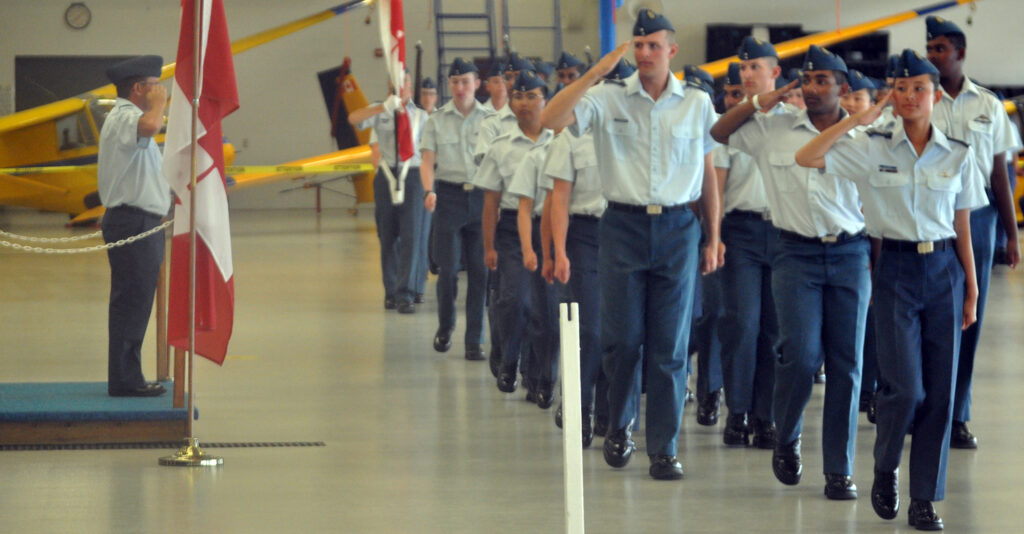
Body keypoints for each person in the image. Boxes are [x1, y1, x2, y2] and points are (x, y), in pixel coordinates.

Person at [794, 48, 986, 531]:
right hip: (895, 270)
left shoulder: (958, 152)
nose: (907, 96)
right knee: (906, 389)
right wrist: (865, 115)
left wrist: (973, 289)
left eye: (918, 88)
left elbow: (962, 223)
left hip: (944, 268)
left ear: (935, 95)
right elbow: (807, 154)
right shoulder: (871, 144)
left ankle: (925, 499)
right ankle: (885, 466)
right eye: (899, 89)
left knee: (940, 393)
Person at [542, 9, 722, 481]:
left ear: (671, 51)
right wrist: (595, 73)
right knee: (622, 340)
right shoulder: (605, 98)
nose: (644, 54)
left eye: (653, 46)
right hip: (621, 226)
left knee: (670, 346)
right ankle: (619, 424)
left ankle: (663, 447)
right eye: (637, 46)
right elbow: (549, 118)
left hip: (680, 228)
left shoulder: (697, 104)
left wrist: (714, 235)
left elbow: (708, 177)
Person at [711, 45, 869, 500]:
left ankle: (839, 470)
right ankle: (787, 434)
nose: (815, 88)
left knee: (847, 364)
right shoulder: (773, 130)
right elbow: (719, 131)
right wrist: (762, 99)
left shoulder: (862, 137)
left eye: (825, 80)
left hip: (850, 254)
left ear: (843, 87)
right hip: (794, 255)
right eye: (808, 79)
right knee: (799, 356)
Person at [925, 15, 1023, 449]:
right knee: (927, 315)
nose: (933, 55)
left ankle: (956, 414)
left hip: (978, 215)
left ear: (960, 53)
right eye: (930, 49)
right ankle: (922, 407)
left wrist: (1011, 233)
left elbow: (1001, 173)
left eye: (940, 49)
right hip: (925, 212)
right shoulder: (917, 98)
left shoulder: (988, 104)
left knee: (969, 315)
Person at [715, 44, 784, 450]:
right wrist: (715, 234)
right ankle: (737, 411)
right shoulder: (733, 124)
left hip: (784, 234)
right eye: (743, 68)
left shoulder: (793, 122)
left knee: (774, 331)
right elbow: (718, 188)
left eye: (755, 67)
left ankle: (766, 415)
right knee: (741, 325)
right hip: (741, 231)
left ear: (775, 73)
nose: (747, 74)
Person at [475, 69, 555, 396]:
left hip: (553, 229)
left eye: (532, 96)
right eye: (518, 96)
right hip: (510, 229)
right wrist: (489, 246)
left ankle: (539, 375)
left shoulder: (561, 140)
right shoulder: (500, 146)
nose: (524, 103)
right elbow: (490, 200)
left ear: (545, 100)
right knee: (516, 301)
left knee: (546, 309)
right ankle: (509, 358)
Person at [98, 55, 171, 397]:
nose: (160, 90)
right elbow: (150, 128)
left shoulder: (131, 117)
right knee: (132, 302)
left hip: (140, 221)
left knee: (136, 301)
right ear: (139, 88)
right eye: (154, 85)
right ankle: (126, 380)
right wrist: (159, 105)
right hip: (132, 221)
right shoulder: (126, 116)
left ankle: (128, 376)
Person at [420, 58, 492, 362]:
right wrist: (429, 190)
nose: (460, 88)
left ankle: (474, 339)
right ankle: (446, 325)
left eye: (465, 81)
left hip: (481, 199)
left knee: (480, 273)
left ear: (476, 83)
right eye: (454, 82)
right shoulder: (436, 120)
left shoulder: (491, 119)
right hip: (448, 198)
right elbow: (427, 161)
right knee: (447, 270)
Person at [349, 74, 429, 314]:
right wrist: (383, 107)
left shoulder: (422, 116)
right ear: (389, 84)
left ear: (411, 87)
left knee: (411, 236)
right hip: (386, 176)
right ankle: (391, 291)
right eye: (396, 81)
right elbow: (353, 118)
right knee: (387, 236)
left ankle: (405, 292)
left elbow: (428, 153)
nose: (401, 86)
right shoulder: (379, 110)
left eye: (405, 81)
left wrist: (428, 187)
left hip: (412, 175)